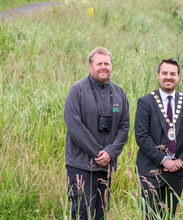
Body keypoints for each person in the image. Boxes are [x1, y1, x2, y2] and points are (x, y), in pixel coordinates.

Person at [64, 47, 130, 220]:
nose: (103, 67)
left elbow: (124, 127)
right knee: (82, 212)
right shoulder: (77, 90)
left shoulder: (119, 93)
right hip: (81, 165)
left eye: (106, 63)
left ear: (111, 66)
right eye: (99, 63)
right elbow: (74, 125)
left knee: (100, 213)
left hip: (106, 166)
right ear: (90, 65)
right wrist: (96, 152)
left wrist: (110, 153)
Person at [135, 58, 183, 219]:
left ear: (178, 77)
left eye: (173, 73)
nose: (168, 77)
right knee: (150, 215)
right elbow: (142, 137)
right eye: (164, 73)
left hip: (177, 170)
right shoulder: (145, 102)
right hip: (151, 170)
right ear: (158, 75)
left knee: (169, 215)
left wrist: (180, 161)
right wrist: (164, 160)